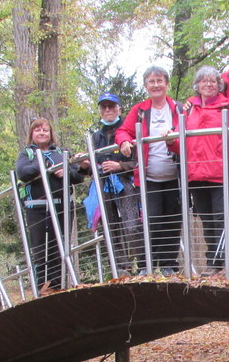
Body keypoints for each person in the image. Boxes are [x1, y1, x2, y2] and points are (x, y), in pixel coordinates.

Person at [171, 66, 229, 273]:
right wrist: (171, 142)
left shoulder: (227, 106)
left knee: (222, 218)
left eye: (213, 81)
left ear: (219, 85)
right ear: (197, 85)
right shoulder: (189, 108)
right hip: (196, 174)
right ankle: (213, 264)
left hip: (220, 173)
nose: (208, 84)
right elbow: (180, 142)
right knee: (206, 219)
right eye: (204, 81)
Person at [116, 67, 182, 275]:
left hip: (175, 175)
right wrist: (124, 141)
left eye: (160, 80)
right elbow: (122, 130)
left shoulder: (178, 108)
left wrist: (174, 141)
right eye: (151, 81)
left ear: (167, 84)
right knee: (151, 221)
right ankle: (146, 266)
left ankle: (168, 265)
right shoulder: (140, 110)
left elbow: (188, 135)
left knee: (173, 221)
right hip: (149, 177)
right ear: (145, 86)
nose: (156, 85)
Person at [15, 117, 83, 291]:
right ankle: (41, 288)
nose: (42, 133)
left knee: (60, 248)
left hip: (62, 206)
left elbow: (78, 176)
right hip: (37, 207)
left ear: (51, 133)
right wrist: (47, 165)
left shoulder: (62, 151)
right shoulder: (27, 154)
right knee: (39, 249)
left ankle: (58, 286)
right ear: (32, 134)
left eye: (45, 130)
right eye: (38, 130)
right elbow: (23, 173)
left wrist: (65, 171)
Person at [78, 92, 141, 275]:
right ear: (99, 111)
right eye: (103, 107)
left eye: (111, 106)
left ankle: (144, 264)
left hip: (125, 182)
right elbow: (89, 168)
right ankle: (122, 267)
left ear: (119, 109)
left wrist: (119, 165)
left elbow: (139, 161)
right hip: (103, 185)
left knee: (132, 225)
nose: (107, 110)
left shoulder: (128, 130)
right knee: (110, 226)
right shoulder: (96, 137)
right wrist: (85, 165)